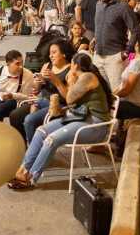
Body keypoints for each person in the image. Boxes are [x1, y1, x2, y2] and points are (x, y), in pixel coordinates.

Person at [8, 52, 114, 190]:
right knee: (41, 131)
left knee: (51, 139)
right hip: (80, 117)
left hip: (95, 125)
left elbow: (69, 98)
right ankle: (22, 170)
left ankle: (31, 178)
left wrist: (69, 81)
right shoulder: (83, 78)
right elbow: (72, 103)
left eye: (71, 66)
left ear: (75, 66)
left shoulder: (88, 77)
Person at [8, 38, 74, 142]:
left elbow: (68, 97)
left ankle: (34, 147)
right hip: (40, 101)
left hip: (58, 105)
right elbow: (37, 89)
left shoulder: (70, 70)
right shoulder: (47, 65)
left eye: (54, 52)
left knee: (30, 120)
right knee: (15, 115)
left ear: (64, 54)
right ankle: (22, 145)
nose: (50, 56)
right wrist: (38, 82)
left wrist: (56, 80)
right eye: (50, 53)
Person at [91, 0, 140, 90]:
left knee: (117, 91)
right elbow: (100, 25)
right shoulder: (98, 5)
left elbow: (135, 30)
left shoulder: (123, 7)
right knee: (102, 91)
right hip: (98, 55)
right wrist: (95, 39)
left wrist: (127, 52)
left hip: (115, 57)